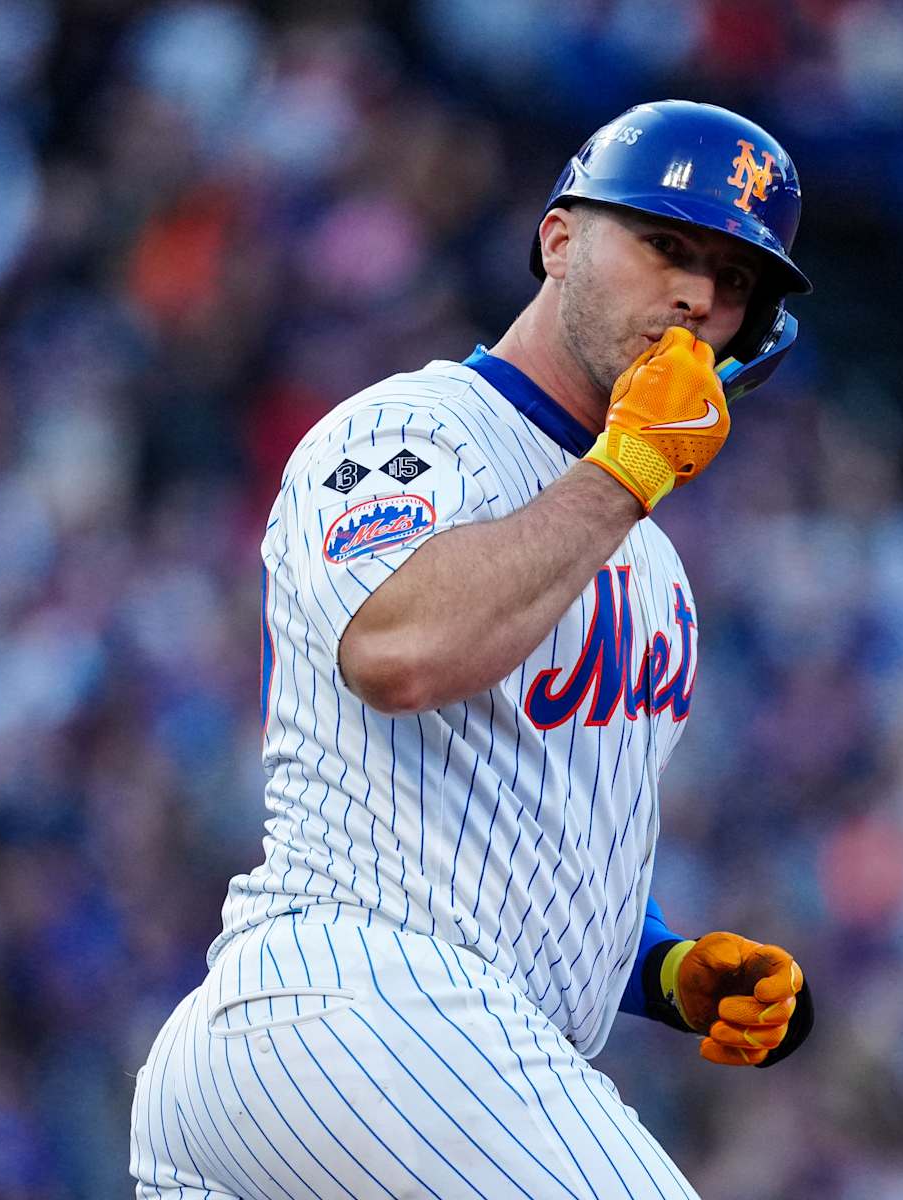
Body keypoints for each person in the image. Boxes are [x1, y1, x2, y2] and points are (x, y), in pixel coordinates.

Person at [129, 99, 816, 1199]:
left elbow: (532, 839)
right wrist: (629, 469)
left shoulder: (652, 563)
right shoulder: (409, 431)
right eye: (665, 245)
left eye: (733, 281)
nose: (694, 295)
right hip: (346, 1002)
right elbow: (400, 651)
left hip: (414, 1062)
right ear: (559, 238)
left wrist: (668, 971)